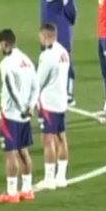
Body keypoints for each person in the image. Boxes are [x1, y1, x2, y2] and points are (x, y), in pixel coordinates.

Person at [0, 28, 38, 203]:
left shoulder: (6, 63)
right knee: (23, 150)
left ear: (5, 44)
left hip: (11, 114)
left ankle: (12, 193)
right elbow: (36, 86)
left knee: (10, 153)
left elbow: (10, 88)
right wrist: (30, 107)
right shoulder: (27, 60)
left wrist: (20, 107)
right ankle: (27, 190)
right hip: (25, 115)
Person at [34, 23, 72, 189]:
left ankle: (49, 180)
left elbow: (38, 81)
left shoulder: (47, 56)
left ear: (46, 36)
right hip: (61, 100)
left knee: (48, 139)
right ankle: (61, 177)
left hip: (49, 103)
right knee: (61, 137)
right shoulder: (63, 52)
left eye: (41, 37)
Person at [39, 0, 78, 100]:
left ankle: (68, 93)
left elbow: (70, 8)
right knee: (48, 59)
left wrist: (64, 24)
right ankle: (52, 89)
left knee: (63, 59)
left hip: (60, 30)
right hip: (46, 30)